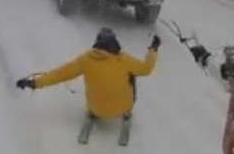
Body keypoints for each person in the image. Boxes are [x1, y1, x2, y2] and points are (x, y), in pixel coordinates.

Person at [16, 28, 161, 120]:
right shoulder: (124, 59)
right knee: (132, 75)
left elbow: (58, 75)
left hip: (96, 109)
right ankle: (127, 111)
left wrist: (34, 82)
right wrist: (153, 49)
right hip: (122, 107)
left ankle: (95, 113)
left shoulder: (85, 60)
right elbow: (146, 69)